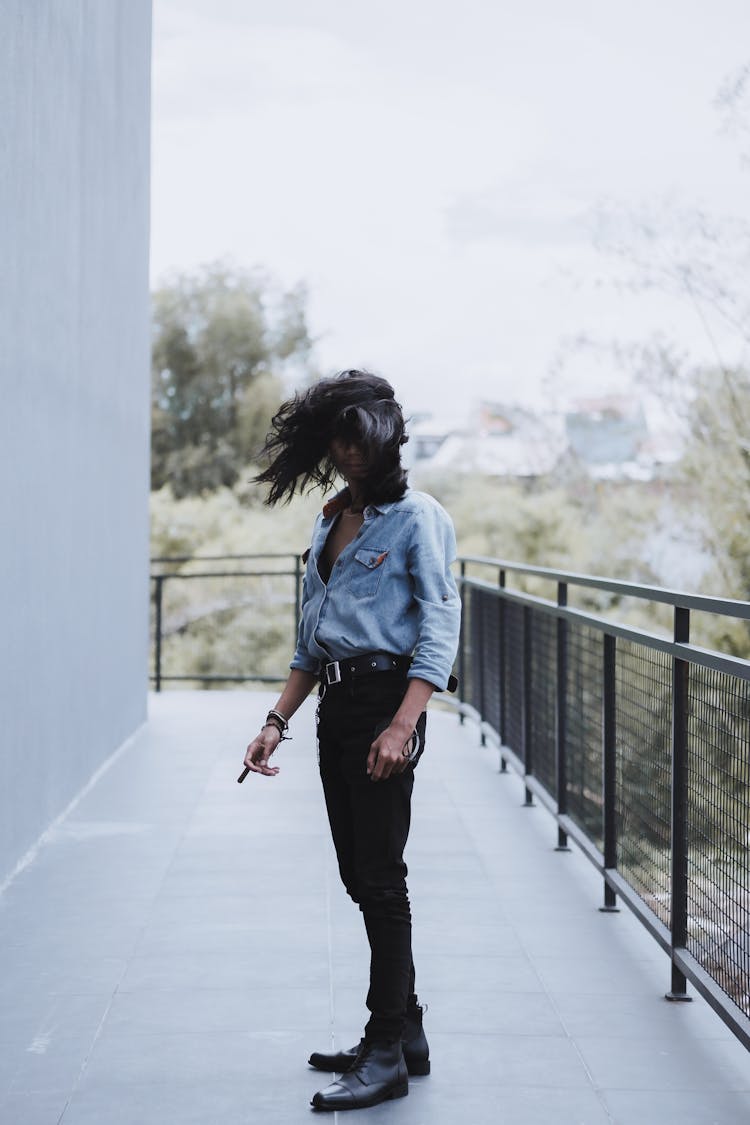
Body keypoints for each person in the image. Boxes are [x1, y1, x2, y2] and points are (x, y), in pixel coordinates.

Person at [242, 369, 461, 1112]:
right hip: (336, 703)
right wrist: (276, 720)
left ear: (386, 436)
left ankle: (386, 1048)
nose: (348, 450)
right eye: (337, 438)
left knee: (379, 876)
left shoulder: (418, 517)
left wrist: (405, 721)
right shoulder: (330, 519)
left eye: (359, 436)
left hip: (384, 705)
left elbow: (440, 620)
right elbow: (311, 640)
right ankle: (408, 1026)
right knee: (357, 872)